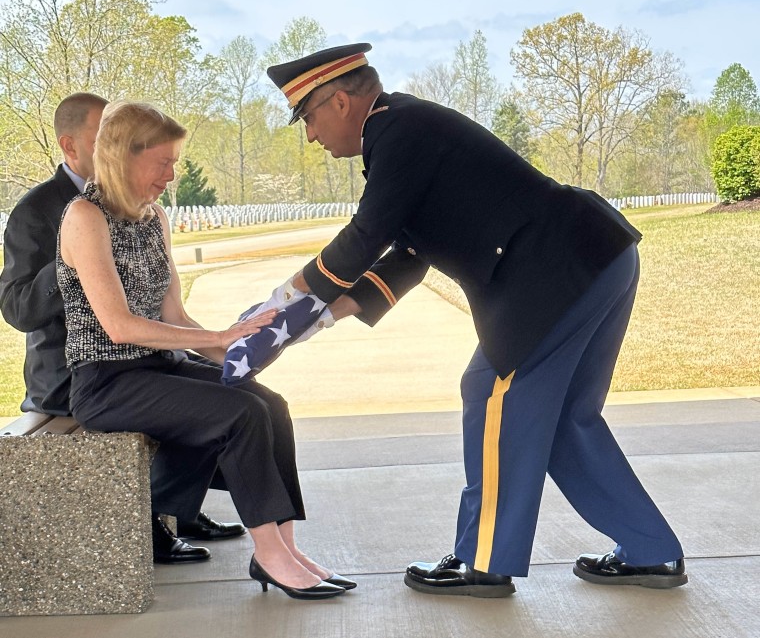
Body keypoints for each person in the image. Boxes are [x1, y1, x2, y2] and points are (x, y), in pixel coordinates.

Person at [264, 43, 687, 597]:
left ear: (340, 102)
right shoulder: (403, 132)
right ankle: (651, 551)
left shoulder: (398, 132)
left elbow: (364, 237)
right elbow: (409, 255)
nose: (312, 136)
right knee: (563, 419)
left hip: (553, 275)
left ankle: (483, 561)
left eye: (309, 118)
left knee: (491, 392)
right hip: (593, 258)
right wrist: (318, 319)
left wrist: (281, 304)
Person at [56, 100, 351, 600]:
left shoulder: (155, 219)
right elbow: (120, 326)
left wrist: (241, 354)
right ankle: (269, 554)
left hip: (158, 368)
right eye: (164, 162)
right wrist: (216, 339)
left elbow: (174, 317)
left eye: (175, 162)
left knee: (269, 404)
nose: (172, 175)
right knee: (239, 413)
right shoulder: (85, 217)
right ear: (124, 156)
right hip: (106, 382)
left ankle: (285, 544)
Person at [0, 93, 247, 564]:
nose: (116, 146)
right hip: (69, 374)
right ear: (70, 146)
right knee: (186, 398)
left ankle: (180, 509)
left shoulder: (139, 205)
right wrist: (79, 260)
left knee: (224, 387)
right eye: (105, 136)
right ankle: (154, 519)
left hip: (137, 353)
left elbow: (163, 310)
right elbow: (16, 310)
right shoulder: (41, 210)